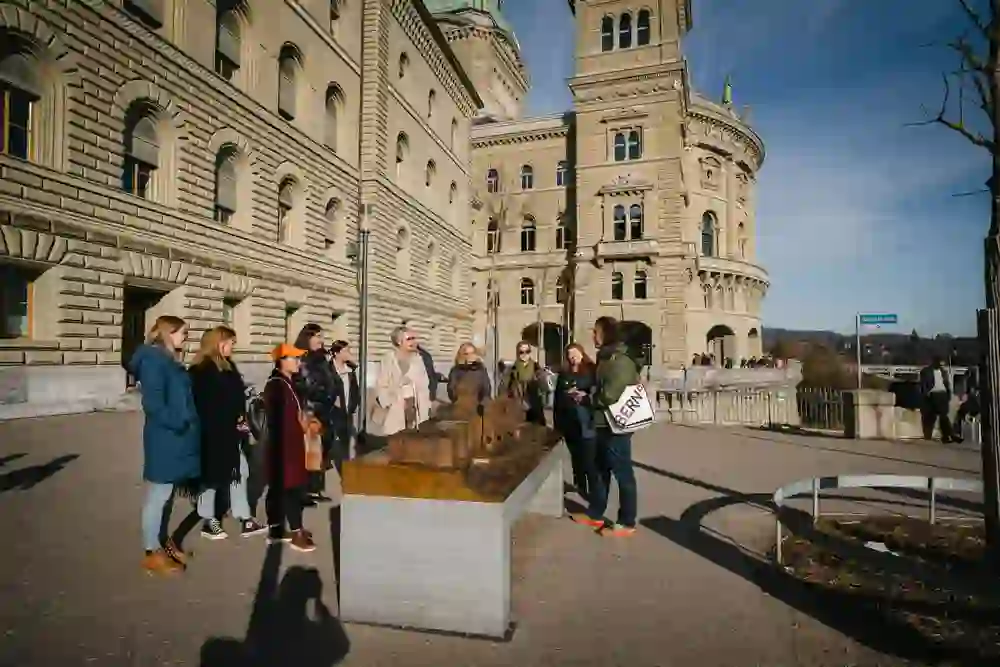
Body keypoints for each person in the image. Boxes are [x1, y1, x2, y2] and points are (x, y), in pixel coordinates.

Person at [131, 315, 200, 575]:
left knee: (167, 496)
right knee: (158, 496)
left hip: (176, 437)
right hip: (165, 437)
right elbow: (153, 404)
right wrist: (180, 422)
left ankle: (163, 544)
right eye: (183, 332)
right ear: (168, 333)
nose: (187, 337)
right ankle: (151, 551)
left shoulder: (169, 360)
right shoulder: (153, 361)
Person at [188, 326, 267, 540]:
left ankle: (245, 517)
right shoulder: (201, 371)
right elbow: (202, 405)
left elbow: (234, 396)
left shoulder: (228, 366)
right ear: (219, 343)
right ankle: (208, 520)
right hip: (211, 434)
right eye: (230, 342)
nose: (233, 346)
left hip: (232, 433)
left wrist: (241, 412)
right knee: (210, 477)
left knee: (239, 472)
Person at [570, 316, 642, 537]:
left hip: (617, 424)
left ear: (606, 333)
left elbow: (611, 393)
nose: (592, 336)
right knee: (600, 471)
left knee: (622, 473)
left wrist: (588, 398)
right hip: (603, 422)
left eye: (596, 332)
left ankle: (627, 522)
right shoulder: (607, 358)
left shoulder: (620, 360)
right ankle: (595, 514)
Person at [263, 343, 315, 553]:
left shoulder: (288, 382)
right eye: (294, 358)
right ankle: (296, 531)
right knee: (292, 488)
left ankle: (275, 530)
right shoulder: (276, 385)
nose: (299, 363)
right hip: (283, 446)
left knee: (280, 488)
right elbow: (276, 419)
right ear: (282, 361)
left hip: (289, 443)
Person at [367, 326, 432, 449]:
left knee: (414, 442)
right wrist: (388, 402)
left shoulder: (418, 359)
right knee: (396, 442)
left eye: (414, 338)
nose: (413, 342)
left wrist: (426, 405)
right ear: (399, 342)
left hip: (415, 406)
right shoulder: (388, 359)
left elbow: (425, 385)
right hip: (396, 406)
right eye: (409, 339)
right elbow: (381, 384)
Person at [294, 323, 338, 504]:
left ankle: (315, 488)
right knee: (309, 451)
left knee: (322, 451)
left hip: (324, 410)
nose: (321, 340)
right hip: (310, 410)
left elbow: (330, 380)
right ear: (307, 338)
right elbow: (303, 384)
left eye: (321, 336)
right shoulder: (301, 359)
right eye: (317, 336)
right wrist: (320, 391)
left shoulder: (322, 359)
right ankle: (303, 491)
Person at [553, 343, 599, 501]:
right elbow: (557, 400)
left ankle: (594, 491)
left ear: (582, 353)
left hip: (587, 421)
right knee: (576, 458)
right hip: (569, 421)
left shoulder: (592, 370)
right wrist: (557, 424)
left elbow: (598, 392)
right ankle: (580, 486)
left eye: (575, 353)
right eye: (570, 354)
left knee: (589, 459)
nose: (573, 357)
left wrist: (584, 395)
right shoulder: (564, 373)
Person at [499, 341, 547, 425]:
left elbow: (545, 388)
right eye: (521, 352)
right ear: (517, 353)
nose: (524, 354)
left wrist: (541, 379)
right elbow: (503, 388)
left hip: (534, 408)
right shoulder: (511, 369)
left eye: (527, 351)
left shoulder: (537, 368)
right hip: (517, 409)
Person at [329, 339, 360, 470]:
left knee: (349, 442)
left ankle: (348, 472)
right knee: (328, 443)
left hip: (347, 412)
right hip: (331, 412)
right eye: (346, 350)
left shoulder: (350, 370)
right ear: (336, 353)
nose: (349, 353)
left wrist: (354, 405)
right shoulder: (327, 370)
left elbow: (355, 390)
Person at [919, 355, 955, 443]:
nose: (941, 366)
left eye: (943, 364)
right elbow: (923, 384)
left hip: (943, 394)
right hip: (932, 394)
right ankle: (929, 435)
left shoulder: (944, 372)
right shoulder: (926, 371)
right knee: (930, 417)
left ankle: (946, 436)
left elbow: (947, 384)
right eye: (940, 364)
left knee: (943, 416)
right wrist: (925, 393)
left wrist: (948, 395)